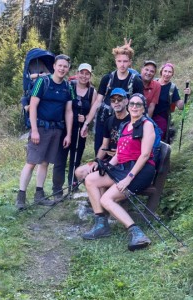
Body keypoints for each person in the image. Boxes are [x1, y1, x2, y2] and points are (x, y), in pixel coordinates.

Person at [81, 93, 156, 251]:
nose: (135, 107)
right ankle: (101, 224)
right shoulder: (126, 125)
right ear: (128, 106)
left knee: (106, 199)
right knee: (91, 180)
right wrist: (106, 165)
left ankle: (137, 233)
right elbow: (119, 154)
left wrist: (128, 178)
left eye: (139, 104)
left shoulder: (146, 124)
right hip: (123, 167)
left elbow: (144, 155)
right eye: (132, 104)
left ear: (144, 108)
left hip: (140, 170)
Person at [15, 54, 74, 210]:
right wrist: (34, 130)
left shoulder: (68, 87)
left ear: (68, 69)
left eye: (65, 66)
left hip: (56, 129)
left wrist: (68, 133)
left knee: (45, 162)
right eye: (60, 65)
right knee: (31, 162)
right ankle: (21, 197)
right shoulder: (43, 81)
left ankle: (39, 195)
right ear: (54, 66)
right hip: (40, 128)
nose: (62, 68)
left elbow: (69, 111)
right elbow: (33, 106)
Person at [80, 44, 143, 155]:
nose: (122, 64)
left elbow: (139, 105)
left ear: (130, 62)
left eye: (125, 61)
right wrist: (86, 123)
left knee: (120, 153)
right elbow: (97, 102)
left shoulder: (136, 81)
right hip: (104, 119)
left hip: (125, 122)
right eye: (119, 61)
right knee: (100, 149)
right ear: (115, 61)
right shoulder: (107, 79)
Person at [52, 63, 96, 200]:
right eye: (81, 73)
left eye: (87, 73)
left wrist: (86, 120)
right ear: (77, 73)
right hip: (64, 128)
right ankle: (57, 190)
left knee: (75, 160)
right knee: (60, 159)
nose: (84, 76)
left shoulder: (92, 92)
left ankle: (73, 188)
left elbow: (93, 112)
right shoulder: (69, 87)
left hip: (80, 130)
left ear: (90, 75)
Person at [74, 88, 130, 182]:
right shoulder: (109, 121)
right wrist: (97, 162)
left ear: (126, 101)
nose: (116, 102)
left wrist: (117, 153)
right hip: (108, 159)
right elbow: (104, 145)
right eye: (113, 100)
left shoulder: (131, 121)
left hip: (124, 162)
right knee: (80, 172)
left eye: (119, 99)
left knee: (98, 177)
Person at [153, 62, 191, 143]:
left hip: (162, 118)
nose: (167, 74)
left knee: (156, 140)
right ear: (161, 72)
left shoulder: (172, 88)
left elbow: (181, 107)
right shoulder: (153, 82)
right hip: (148, 115)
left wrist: (187, 96)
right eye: (165, 71)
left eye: (169, 72)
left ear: (172, 74)